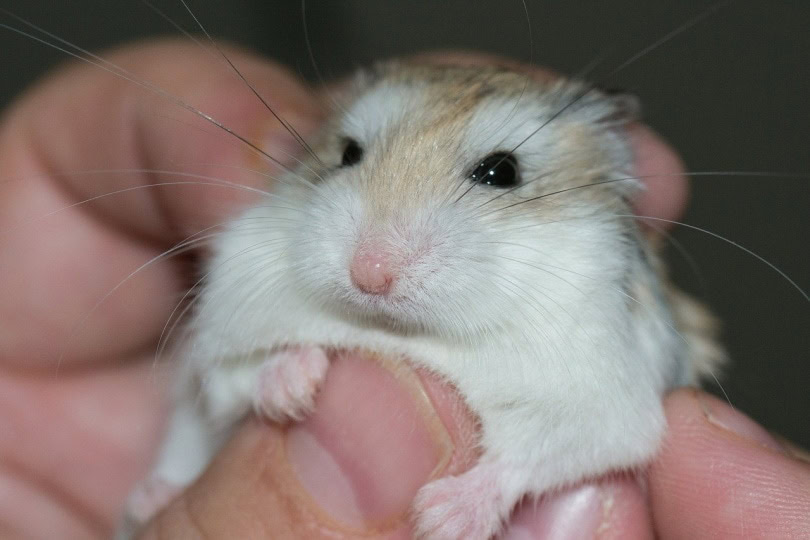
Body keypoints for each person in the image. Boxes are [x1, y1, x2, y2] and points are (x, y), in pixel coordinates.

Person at [1, 42, 807, 539]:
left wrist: (500, 480)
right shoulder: (272, 239)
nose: (374, 262)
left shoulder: (599, 296)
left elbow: (619, 428)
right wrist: (263, 372)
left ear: (602, 194)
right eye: (351, 154)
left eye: (495, 174)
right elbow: (222, 354)